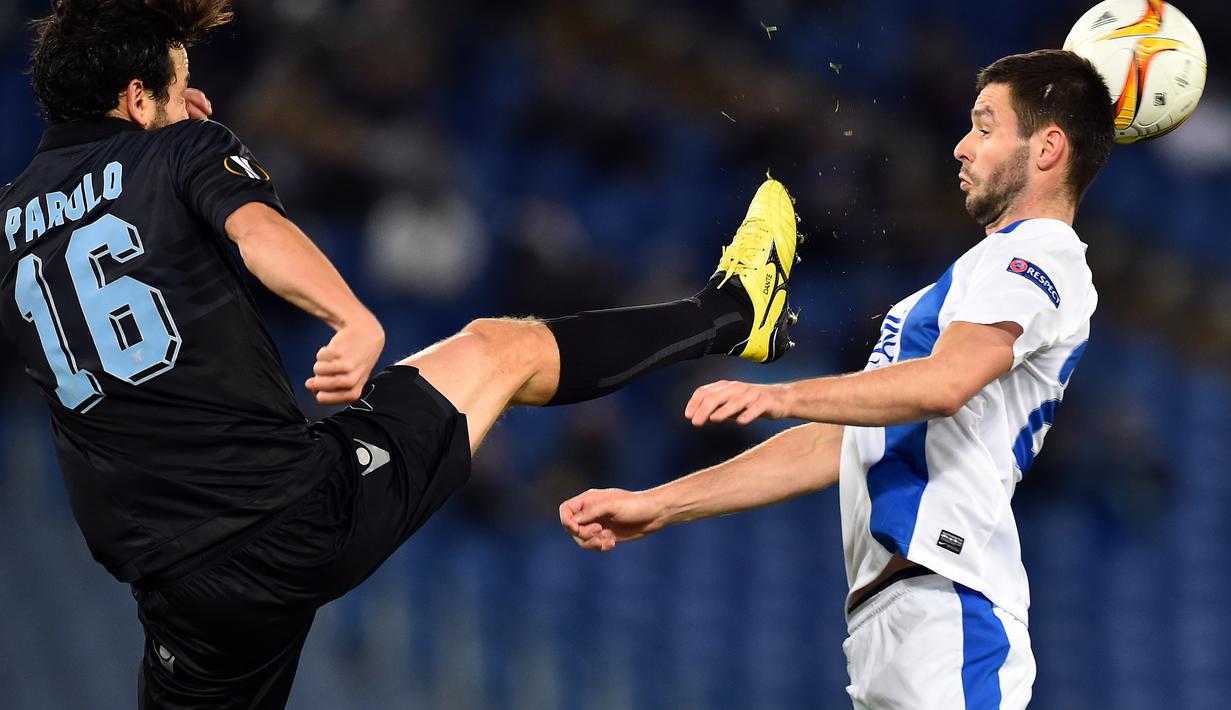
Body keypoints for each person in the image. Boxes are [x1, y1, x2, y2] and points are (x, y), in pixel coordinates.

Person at [0, 1, 803, 708]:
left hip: (180, 596)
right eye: (179, 89)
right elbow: (259, 232)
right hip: (291, 518)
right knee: (499, 347)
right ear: (138, 99)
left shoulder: (7, 223)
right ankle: (732, 313)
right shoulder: (180, 147)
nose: (197, 101)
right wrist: (350, 316)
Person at [561, 48, 1115, 709]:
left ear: (1048, 148)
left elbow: (944, 383)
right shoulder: (973, 276)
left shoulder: (1035, 255)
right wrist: (661, 504)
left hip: (949, 608)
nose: (962, 147)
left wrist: (784, 394)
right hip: (894, 622)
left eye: (985, 126)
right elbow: (843, 439)